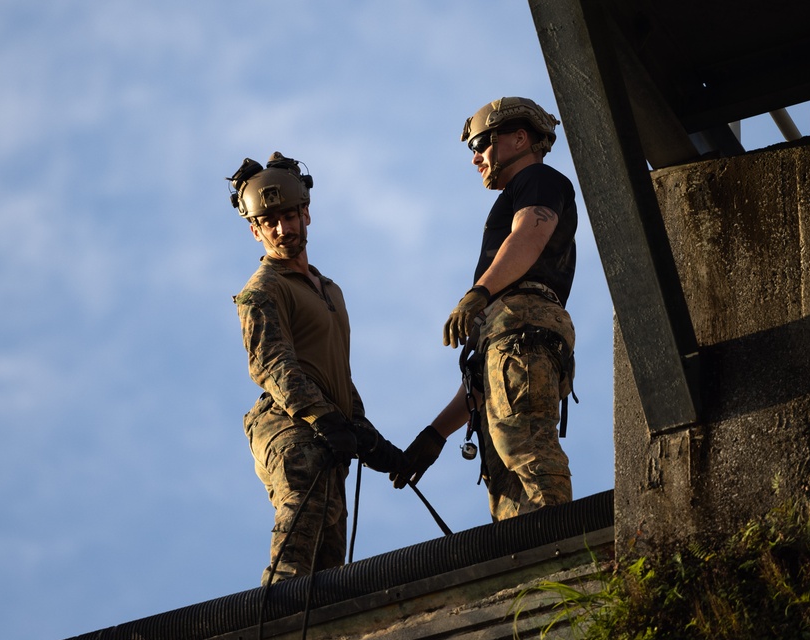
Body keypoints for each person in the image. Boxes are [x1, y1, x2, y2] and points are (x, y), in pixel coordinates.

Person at [392, 97, 578, 521]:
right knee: (505, 476)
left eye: (480, 143)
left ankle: (558, 543)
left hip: (526, 321)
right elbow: (489, 380)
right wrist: (436, 434)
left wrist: (478, 292)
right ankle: (530, 577)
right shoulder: (508, 310)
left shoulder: (540, 179)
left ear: (519, 138)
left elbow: (529, 234)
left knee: (524, 444)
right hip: (509, 330)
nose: (475, 157)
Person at [230, 152, 407, 585]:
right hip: (289, 425)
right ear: (255, 230)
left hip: (329, 431)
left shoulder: (329, 290)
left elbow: (334, 373)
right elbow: (272, 364)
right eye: (268, 221)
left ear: (306, 214)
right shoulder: (262, 289)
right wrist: (326, 418)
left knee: (328, 569)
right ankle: (276, 623)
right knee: (299, 542)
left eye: (289, 216)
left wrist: (365, 433)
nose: (281, 229)